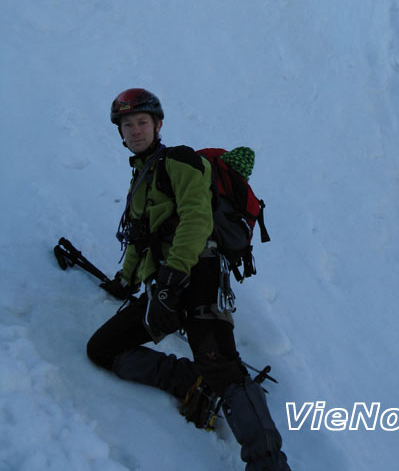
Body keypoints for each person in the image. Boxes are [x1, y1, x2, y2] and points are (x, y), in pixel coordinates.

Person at [87, 88, 290, 471]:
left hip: (196, 274)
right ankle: (189, 381)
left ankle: (269, 464)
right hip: (163, 286)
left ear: (158, 125)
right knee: (102, 349)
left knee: (223, 366)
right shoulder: (142, 179)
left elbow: (197, 220)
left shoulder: (180, 161)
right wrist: (125, 281)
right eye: (127, 125)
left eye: (141, 123)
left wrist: (171, 278)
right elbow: (139, 236)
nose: (134, 131)